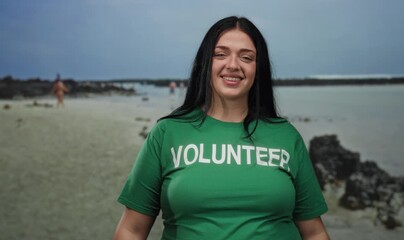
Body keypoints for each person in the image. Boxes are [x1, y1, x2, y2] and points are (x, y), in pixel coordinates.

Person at [114, 16, 329, 240]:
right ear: (206, 63)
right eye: (220, 54)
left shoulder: (286, 136)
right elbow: (131, 230)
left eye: (246, 57)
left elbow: (314, 232)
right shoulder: (167, 133)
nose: (233, 65)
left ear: (258, 69)